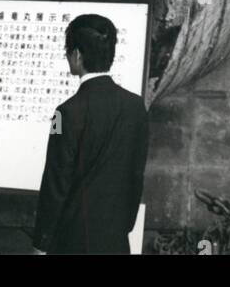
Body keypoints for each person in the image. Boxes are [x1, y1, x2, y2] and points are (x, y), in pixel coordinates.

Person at [32, 13, 149, 255]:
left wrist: (41, 243)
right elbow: (136, 174)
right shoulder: (136, 107)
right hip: (115, 238)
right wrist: (123, 226)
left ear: (76, 55)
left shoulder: (64, 113)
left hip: (71, 239)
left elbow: (55, 184)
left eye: (67, 51)